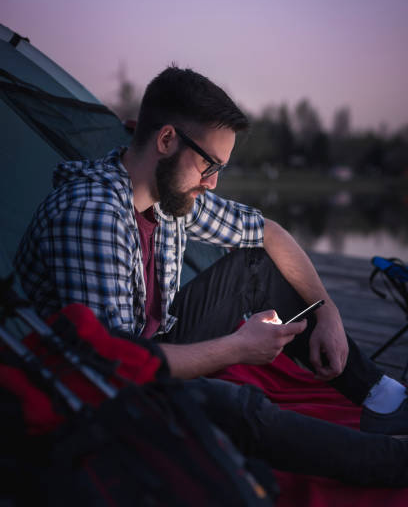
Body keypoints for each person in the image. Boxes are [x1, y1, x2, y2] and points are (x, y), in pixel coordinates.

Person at [14, 66, 408, 461]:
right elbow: (115, 370)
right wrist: (238, 347)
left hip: (145, 347)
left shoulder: (166, 197)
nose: (212, 182)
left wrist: (328, 310)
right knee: (241, 408)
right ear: (167, 139)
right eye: (209, 165)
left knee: (255, 263)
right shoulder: (93, 215)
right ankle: (392, 462)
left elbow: (267, 232)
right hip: (92, 396)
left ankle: (381, 397)